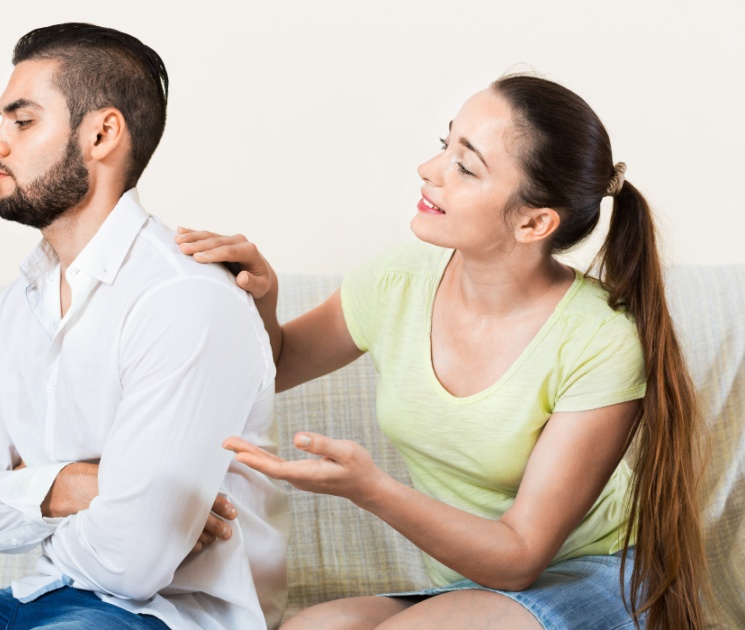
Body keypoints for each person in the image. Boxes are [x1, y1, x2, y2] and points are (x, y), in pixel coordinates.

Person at [176, 75, 708, 630]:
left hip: (594, 576)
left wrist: (372, 489)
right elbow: (277, 366)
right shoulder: (397, 281)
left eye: (466, 166)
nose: (429, 172)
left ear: (533, 222)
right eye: (444, 144)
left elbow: (522, 555)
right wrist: (262, 296)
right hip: (471, 582)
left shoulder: (600, 341)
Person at [0, 23, 289, 630]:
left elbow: (133, 563)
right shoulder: (19, 302)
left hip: (164, 617)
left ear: (102, 133)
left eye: (22, 121)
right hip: (39, 596)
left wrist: (30, 487)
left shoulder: (183, 298)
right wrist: (82, 486)